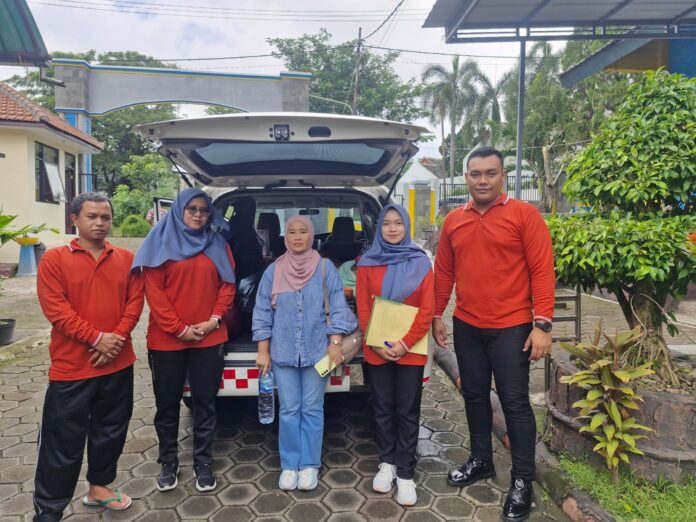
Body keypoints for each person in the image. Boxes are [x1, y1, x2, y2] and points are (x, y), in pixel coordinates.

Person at [433, 147, 555, 522]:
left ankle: (522, 480)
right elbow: (443, 272)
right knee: (474, 395)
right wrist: (437, 314)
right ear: (466, 178)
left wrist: (542, 325)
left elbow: (542, 269)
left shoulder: (524, 216)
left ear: (503, 176)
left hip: (512, 327)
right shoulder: (454, 221)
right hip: (467, 325)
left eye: (490, 173)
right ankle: (481, 460)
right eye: (475, 174)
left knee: (514, 403)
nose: (482, 180)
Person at [34, 192, 144, 520]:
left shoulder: (127, 259)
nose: (99, 223)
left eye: (105, 217)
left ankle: (99, 487)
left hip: (118, 364)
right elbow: (57, 310)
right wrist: (97, 339)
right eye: (92, 216)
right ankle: (49, 510)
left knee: (110, 431)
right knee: (61, 443)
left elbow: (135, 303)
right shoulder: (54, 259)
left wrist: (115, 340)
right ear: (75, 219)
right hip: (72, 368)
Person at [132, 187, 236, 493]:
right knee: (167, 405)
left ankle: (203, 462)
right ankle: (169, 462)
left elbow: (228, 285)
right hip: (167, 341)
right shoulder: (159, 242)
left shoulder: (217, 244)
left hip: (209, 337)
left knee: (205, 403)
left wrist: (214, 320)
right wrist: (179, 329)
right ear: (179, 210)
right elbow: (155, 293)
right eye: (192, 209)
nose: (198, 215)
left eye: (204, 210)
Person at [253, 215, 357, 492]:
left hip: (317, 350)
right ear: (285, 237)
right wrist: (263, 350)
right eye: (292, 232)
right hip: (283, 351)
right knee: (289, 409)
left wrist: (335, 342)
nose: (297, 237)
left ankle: (309, 464)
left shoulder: (325, 267)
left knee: (312, 408)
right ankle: (289, 465)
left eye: (303, 231)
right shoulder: (273, 270)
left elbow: (338, 306)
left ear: (312, 236)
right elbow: (262, 311)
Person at [355, 204, 434, 506]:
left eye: (398, 223)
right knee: (382, 408)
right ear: (379, 228)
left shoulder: (421, 262)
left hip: (410, 350)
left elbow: (427, 309)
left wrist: (405, 342)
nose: (392, 229)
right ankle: (387, 463)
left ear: (406, 226)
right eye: (386, 223)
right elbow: (363, 307)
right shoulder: (367, 263)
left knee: (408, 410)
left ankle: (406, 473)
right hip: (377, 349)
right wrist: (374, 341)